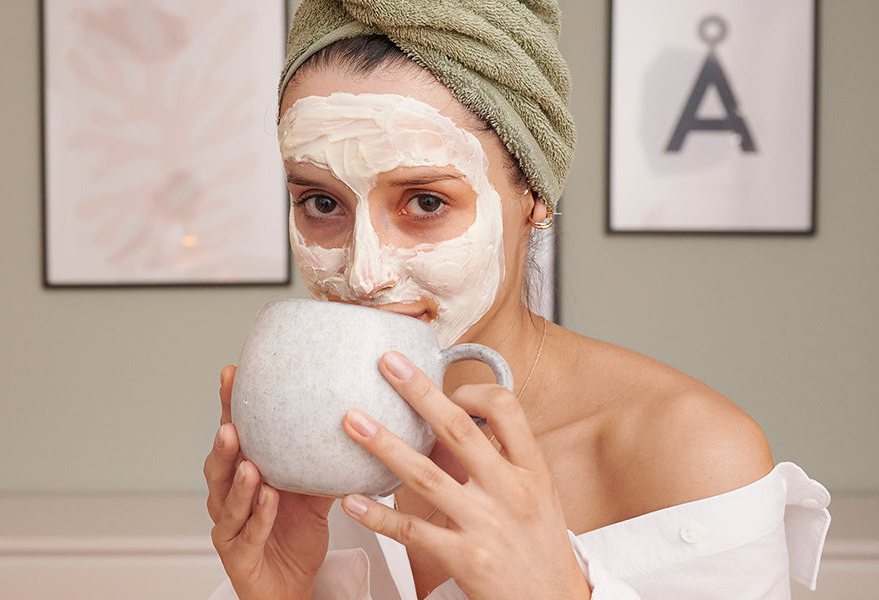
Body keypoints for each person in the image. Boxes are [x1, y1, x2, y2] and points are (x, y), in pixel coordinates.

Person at [203, 1, 830, 598]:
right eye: (320, 203)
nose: (364, 275)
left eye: (425, 202)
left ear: (534, 196)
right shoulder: (301, 462)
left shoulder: (694, 453)